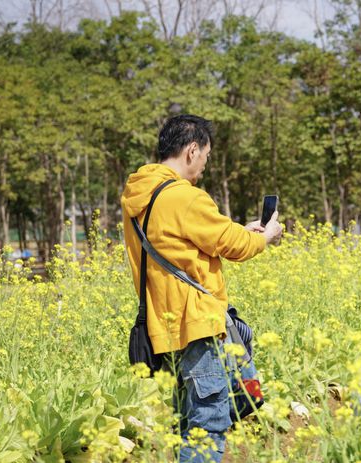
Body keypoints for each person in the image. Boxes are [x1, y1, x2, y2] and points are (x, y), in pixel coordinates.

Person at [121, 115, 283, 463]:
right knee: (208, 425)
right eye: (206, 157)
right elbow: (235, 247)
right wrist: (265, 237)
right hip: (198, 327)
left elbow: (178, 244)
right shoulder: (184, 196)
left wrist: (241, 228)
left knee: (187, 424)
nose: (205, 167)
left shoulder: (138, 195)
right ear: (192, 151)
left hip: (163, 331)